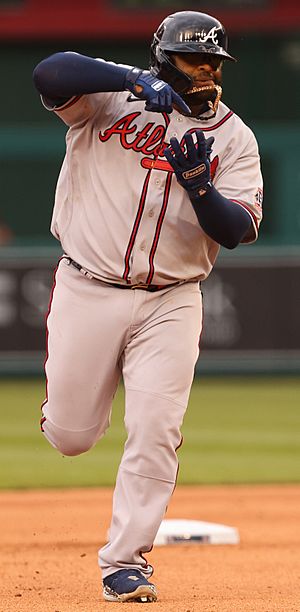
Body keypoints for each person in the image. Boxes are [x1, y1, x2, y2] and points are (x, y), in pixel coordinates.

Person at [33, 10, 263, 604]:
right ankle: (68, 410)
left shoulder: (233, 138)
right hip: (90, 285)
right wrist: (129, 80)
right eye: (195, 59)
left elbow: (236, 228)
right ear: (164, 59)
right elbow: (50, 71)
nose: (208, 70)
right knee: (71, 437)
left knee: (157, 428)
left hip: (172, 300)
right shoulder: (106, 103)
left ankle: (124, 563)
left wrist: (202, 189)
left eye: (215, 61)